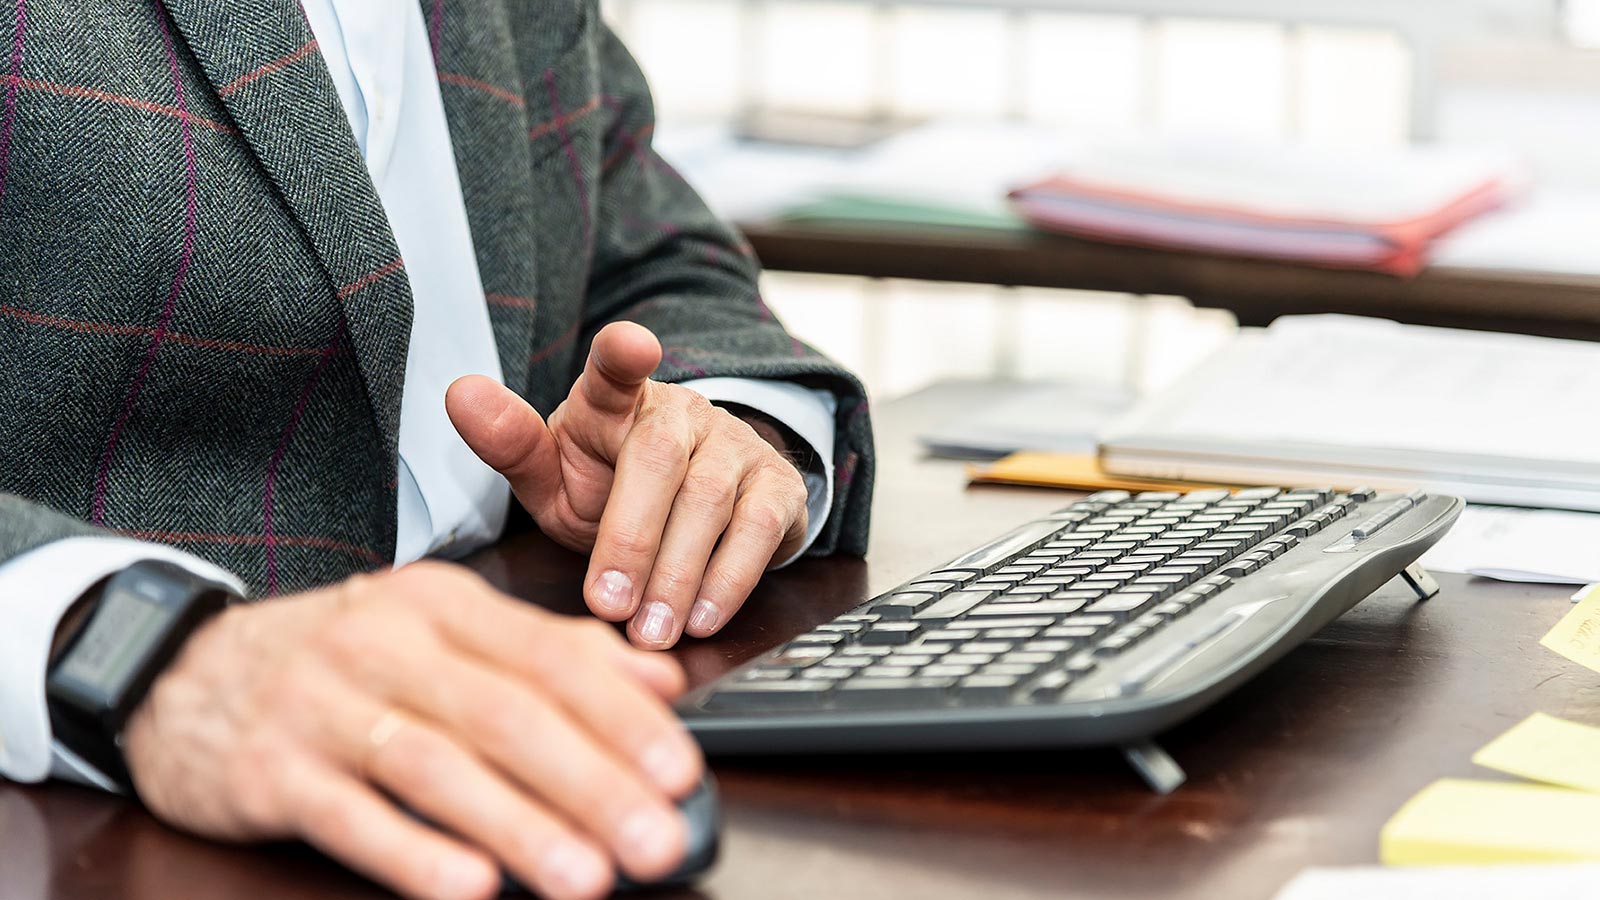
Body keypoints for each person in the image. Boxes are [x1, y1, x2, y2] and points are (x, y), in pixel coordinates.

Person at [0, 3, 875, 900]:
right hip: (111, 804)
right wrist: (141, 651)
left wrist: (716, 427)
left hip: (541, 675)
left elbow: (654, 250)